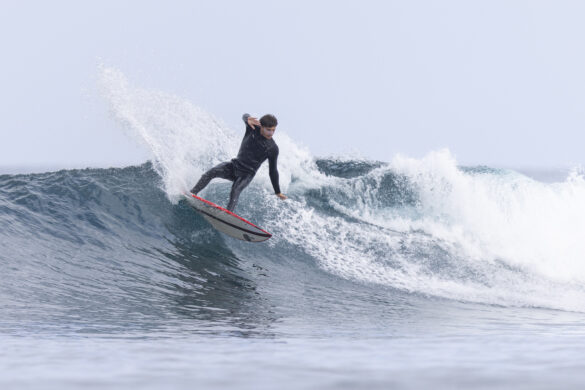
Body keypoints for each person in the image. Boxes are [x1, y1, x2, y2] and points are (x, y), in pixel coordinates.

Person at [190, 113, 288, 212]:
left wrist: (277, 192)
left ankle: (228, 214)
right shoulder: (253, 128)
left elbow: (273, 171)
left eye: (273, 130)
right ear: (261, 126)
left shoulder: (273, 148)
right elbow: (245, 116)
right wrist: (247, 118)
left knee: (235, 190)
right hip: (234, 166)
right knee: (211, 173)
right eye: (268, 130)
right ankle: (192, 193)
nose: (271, 133)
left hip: (247, 174)